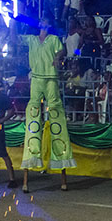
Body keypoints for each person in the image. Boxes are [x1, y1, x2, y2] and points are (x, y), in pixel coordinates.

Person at [21, 16, 76, 193]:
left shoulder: (54, 39)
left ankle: (62, 166)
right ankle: (30, 163)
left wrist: (57, 58)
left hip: (51, 79)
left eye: (47, 22)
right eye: (42, 22)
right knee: (33, 117)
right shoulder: (31, 39)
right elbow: (14, 38)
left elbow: (62, 52)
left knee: (56, 117)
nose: (44, 25)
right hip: (36, 79)